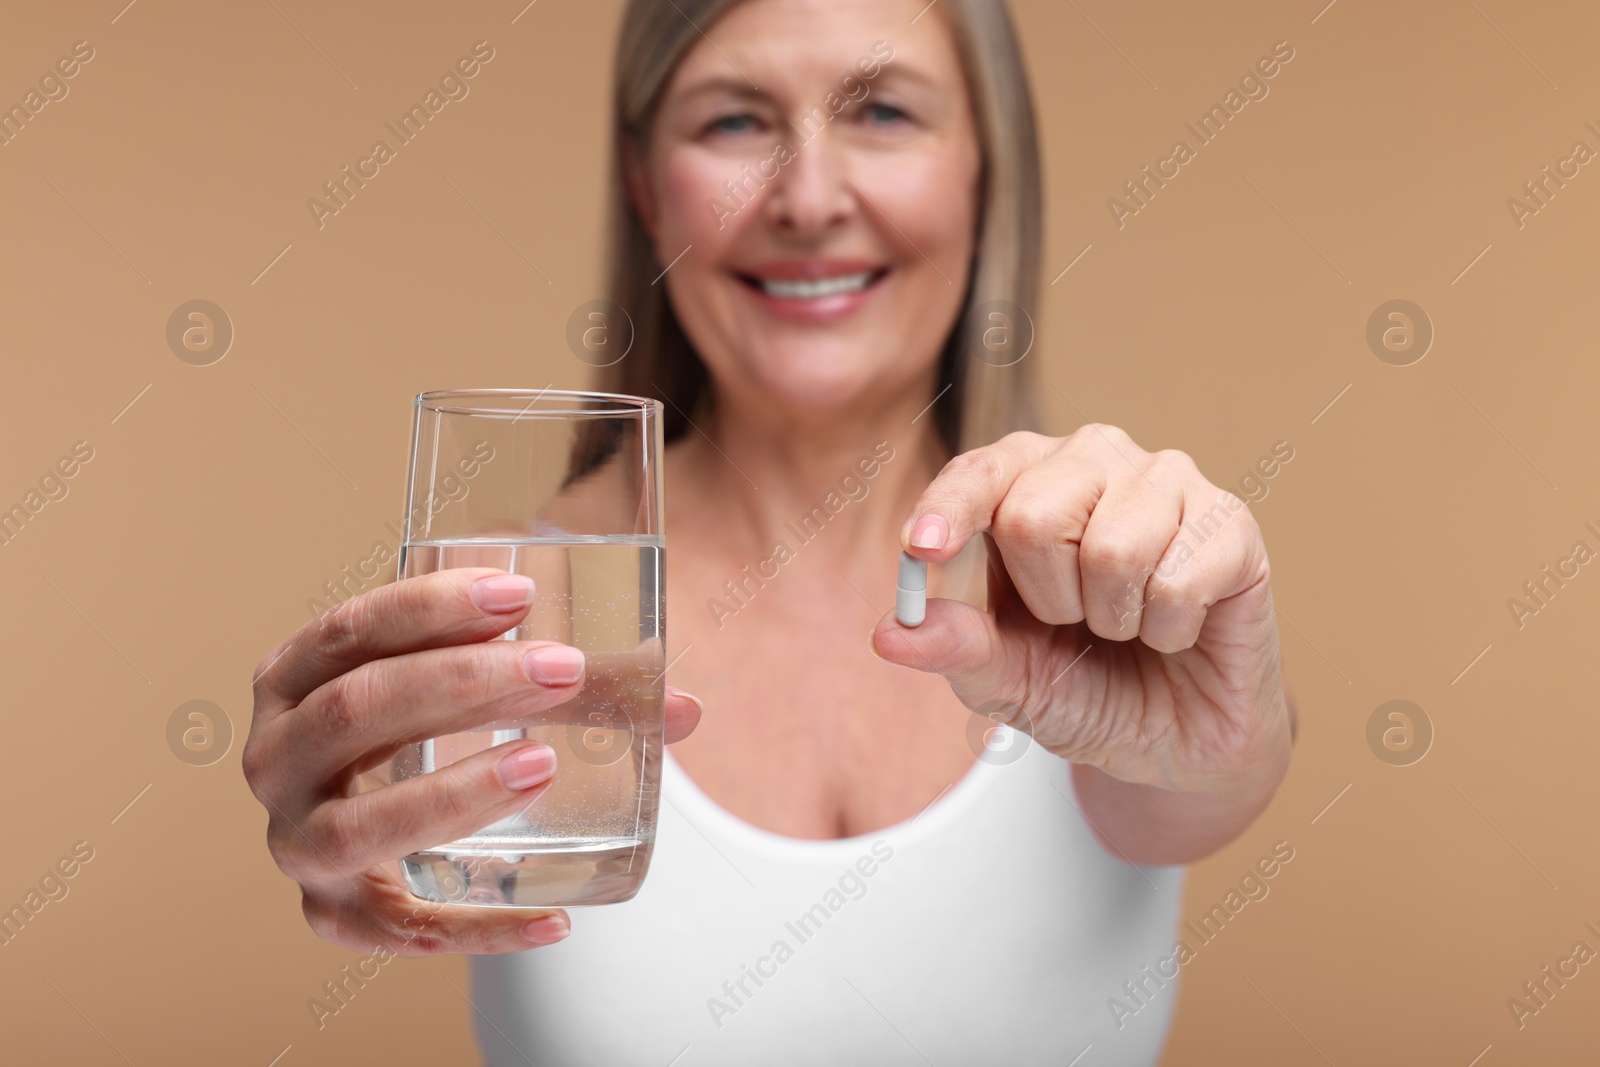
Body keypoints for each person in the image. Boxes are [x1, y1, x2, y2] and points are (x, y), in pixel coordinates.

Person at [243, 0, 1296, 1063]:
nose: (805, 198)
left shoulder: (1097, 606)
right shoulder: (500, 639)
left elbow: (1211, 772)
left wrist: (1229, 707)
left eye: (881, 111)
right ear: (645, 186)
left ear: (985, 169)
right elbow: (373, 843)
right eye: (735, 123)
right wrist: (346, 814)